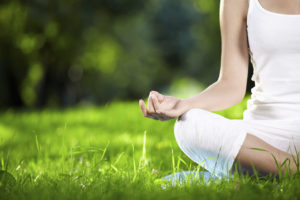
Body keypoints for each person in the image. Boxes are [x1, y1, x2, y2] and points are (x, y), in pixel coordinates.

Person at [139, 0, 300, 181]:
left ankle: (267, 175)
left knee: (183, 181)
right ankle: (287, 171)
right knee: (189, 124)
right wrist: (182, 105)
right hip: (261, 137)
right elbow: (231, 84)